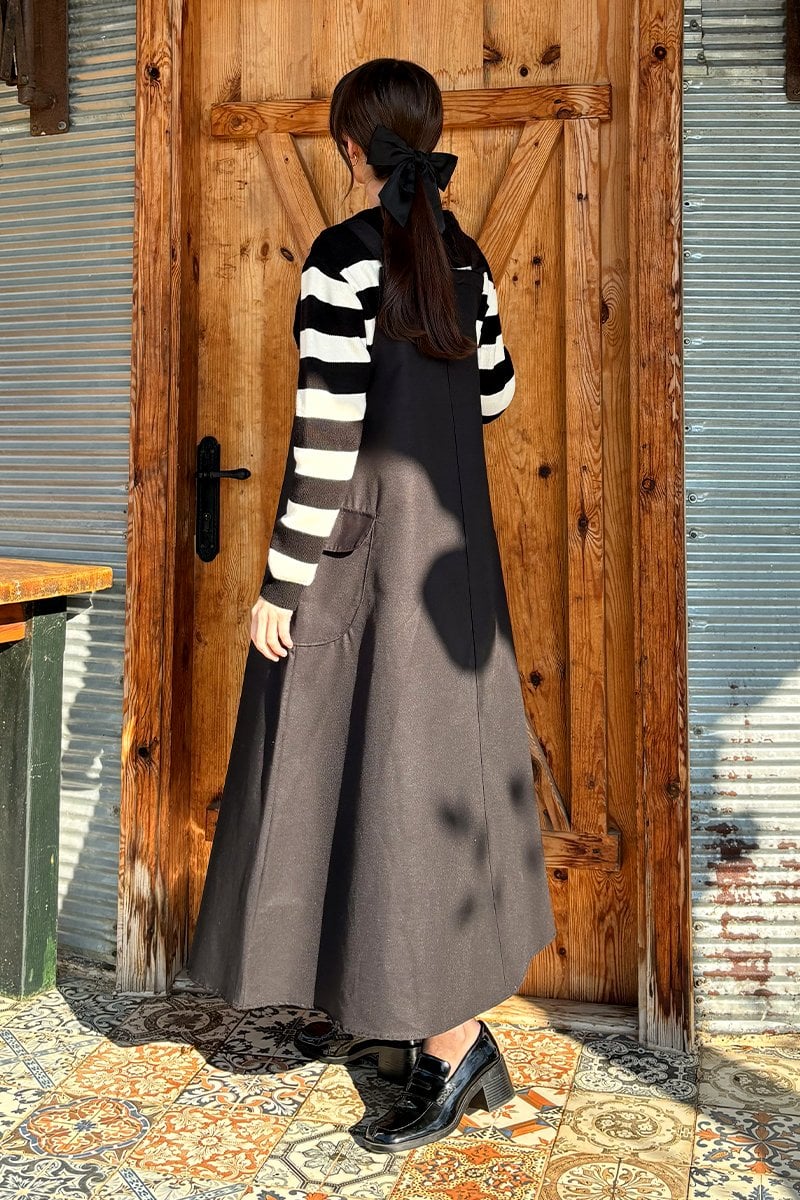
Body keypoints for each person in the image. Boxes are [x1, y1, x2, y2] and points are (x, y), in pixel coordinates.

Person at [186, 56, 556, 1154]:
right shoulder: (463, 254)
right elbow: (495, 394)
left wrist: (283, 580)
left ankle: (452, 1044)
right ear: (424, 140)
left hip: (361, 555)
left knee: (350, 768)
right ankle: (392, 1012)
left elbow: (328, 432)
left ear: (351, 147)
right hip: (451, 561)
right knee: (419, 775)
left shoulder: (339, 257)